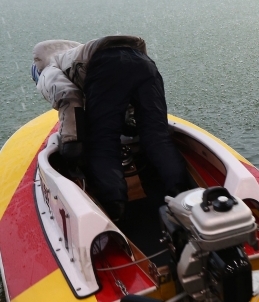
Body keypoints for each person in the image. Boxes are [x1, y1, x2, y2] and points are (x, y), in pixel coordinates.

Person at [32, 36, 189, 221]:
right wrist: (129, 121)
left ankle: (115, 208)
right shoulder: (75, 55)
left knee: (102, 142)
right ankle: (184, 195)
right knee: (157, 135)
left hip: (106, 66)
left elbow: (68, 96)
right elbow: (124, 89)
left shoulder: (47, 70)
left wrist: (71, 144)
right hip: (143, 62)